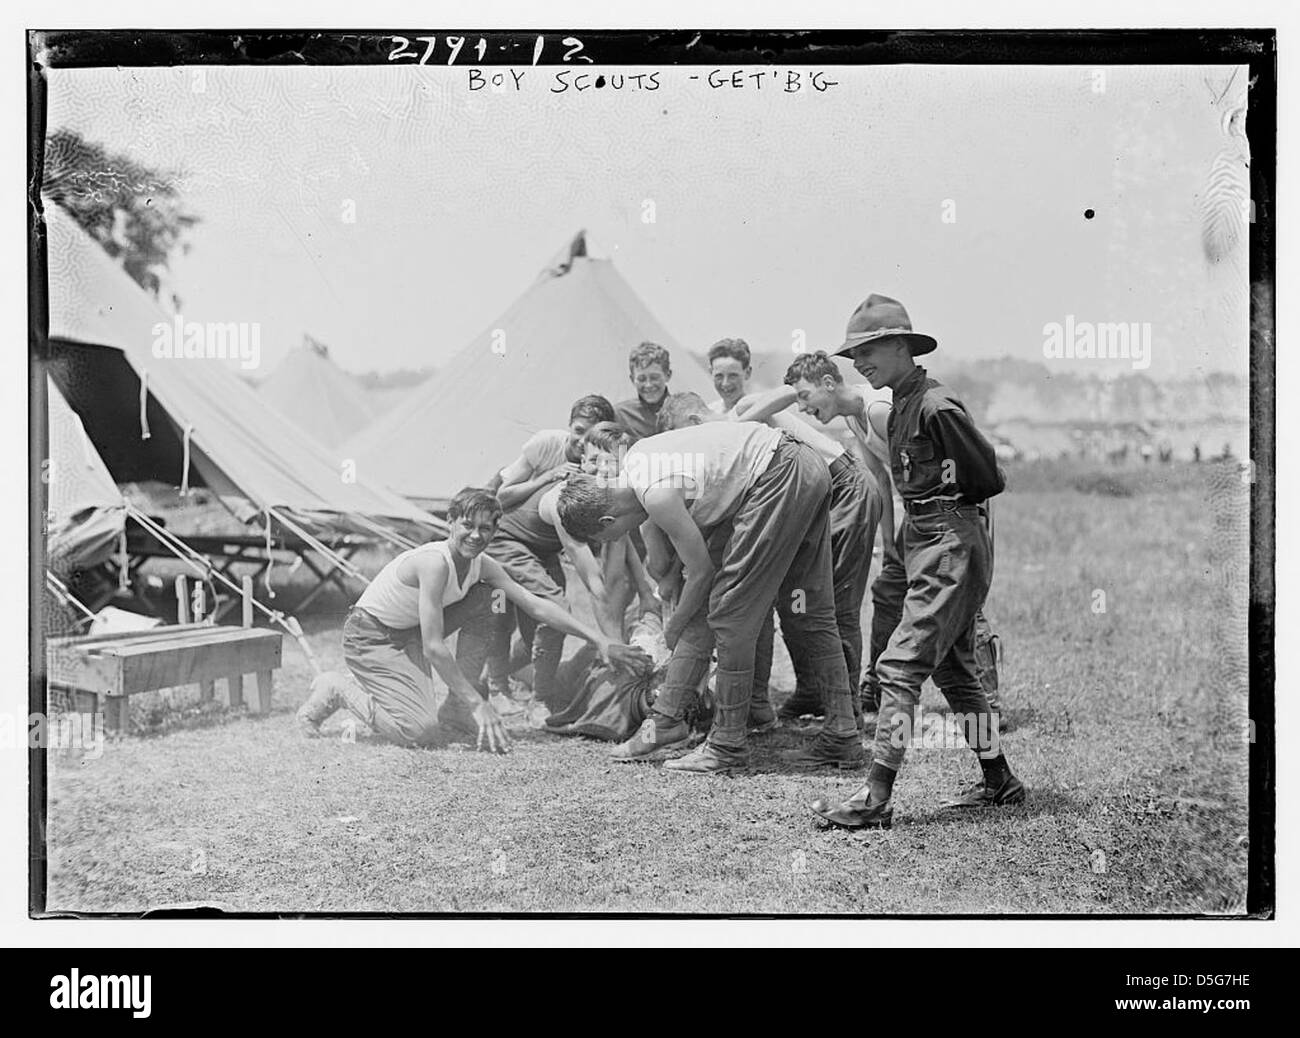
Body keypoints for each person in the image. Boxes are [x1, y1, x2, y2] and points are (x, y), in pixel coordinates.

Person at [807, 294, 1024, 829]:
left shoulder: (934, 406)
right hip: (922, 533)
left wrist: (951, 521)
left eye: (868, 350)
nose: (858, 364)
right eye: (853, 355)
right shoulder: (900, 404)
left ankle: (875, 796)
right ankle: (1000, 781)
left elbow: (988, 478)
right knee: (952, 669)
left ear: (901, 345)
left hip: (949, 537)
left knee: (899, 666)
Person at [557, 407, 863, 774]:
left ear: (607, 521)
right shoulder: (638, 465)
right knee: (808, 611)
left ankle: (726, 746)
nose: (609, 543)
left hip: (776, 474)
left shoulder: (655, 494)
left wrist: (670, 631)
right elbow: (678, 566)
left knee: (729, 614)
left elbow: (700, 574)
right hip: (799, 468)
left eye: (603, 538)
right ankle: (841, 734)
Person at [740, 350, 1005, 724]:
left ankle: (988, 702)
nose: (802, 409)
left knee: (963, 603)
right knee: (887, 591)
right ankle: (875, 689)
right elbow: (882, 479)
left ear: (829, 384)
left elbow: (933, 464)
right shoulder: (854, 416)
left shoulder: (878, 410)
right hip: (920, 510)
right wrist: (891, 543)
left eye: (804, 397)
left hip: (956, 507)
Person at [296, 487, 648, 750]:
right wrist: (479, 703)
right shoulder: (434, 563)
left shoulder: (484, 564)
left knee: (487, 598)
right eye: (468, 525)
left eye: (487, 528)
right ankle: (338, 688)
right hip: (371, 637)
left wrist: (600, 640)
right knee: (418, 731)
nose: (477, 536)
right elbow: (435, 647)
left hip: (408, 634)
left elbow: (535, 604)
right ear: (450, 522)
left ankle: (455, 708)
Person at [657, 390, 883, 742]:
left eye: (683, 436)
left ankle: (846, 716)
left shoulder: (738, 419)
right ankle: (816, 712)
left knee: (830, 608)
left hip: (841, 488)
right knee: (794, 605)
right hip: (808, 488)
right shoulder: (729, 450)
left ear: (693, 424)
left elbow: (788, 393)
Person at [491, 395, 616, 510]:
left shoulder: (602, 462)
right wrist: (549, 476)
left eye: (591, 435)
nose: (583, 441)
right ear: (570, 425)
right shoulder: (547, 442)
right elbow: (501, 499)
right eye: (579, 431)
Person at [613, 341, 674, 443]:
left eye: (654, 378)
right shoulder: (620, 415)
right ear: (632, 379)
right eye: (641, 379)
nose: (648, 385)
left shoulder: (683, 412)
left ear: (668, 375)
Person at [706, 337, 753, 414]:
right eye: (719, 376)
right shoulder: (709, 412)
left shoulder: (758, 411)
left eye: (733, 376)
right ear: (711, 372)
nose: (725, 383)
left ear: (747, 373)